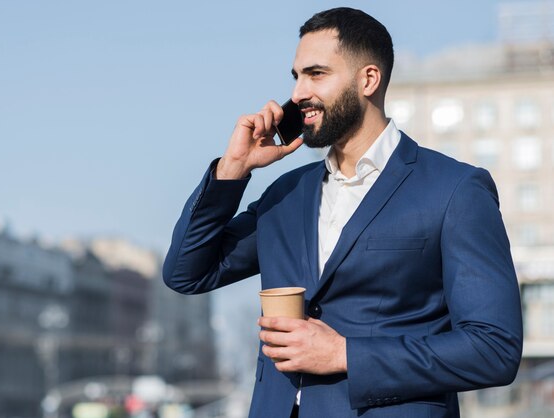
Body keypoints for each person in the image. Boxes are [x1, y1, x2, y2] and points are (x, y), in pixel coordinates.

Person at [163, 7, 523, 418]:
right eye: (296, 76)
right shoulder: (287, 194)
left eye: (316, 74)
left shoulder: (455, 190)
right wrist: (232, 169)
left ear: (368, 79)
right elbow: (187, 273)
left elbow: (494, 348)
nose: (298, 94)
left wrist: (346, 354)